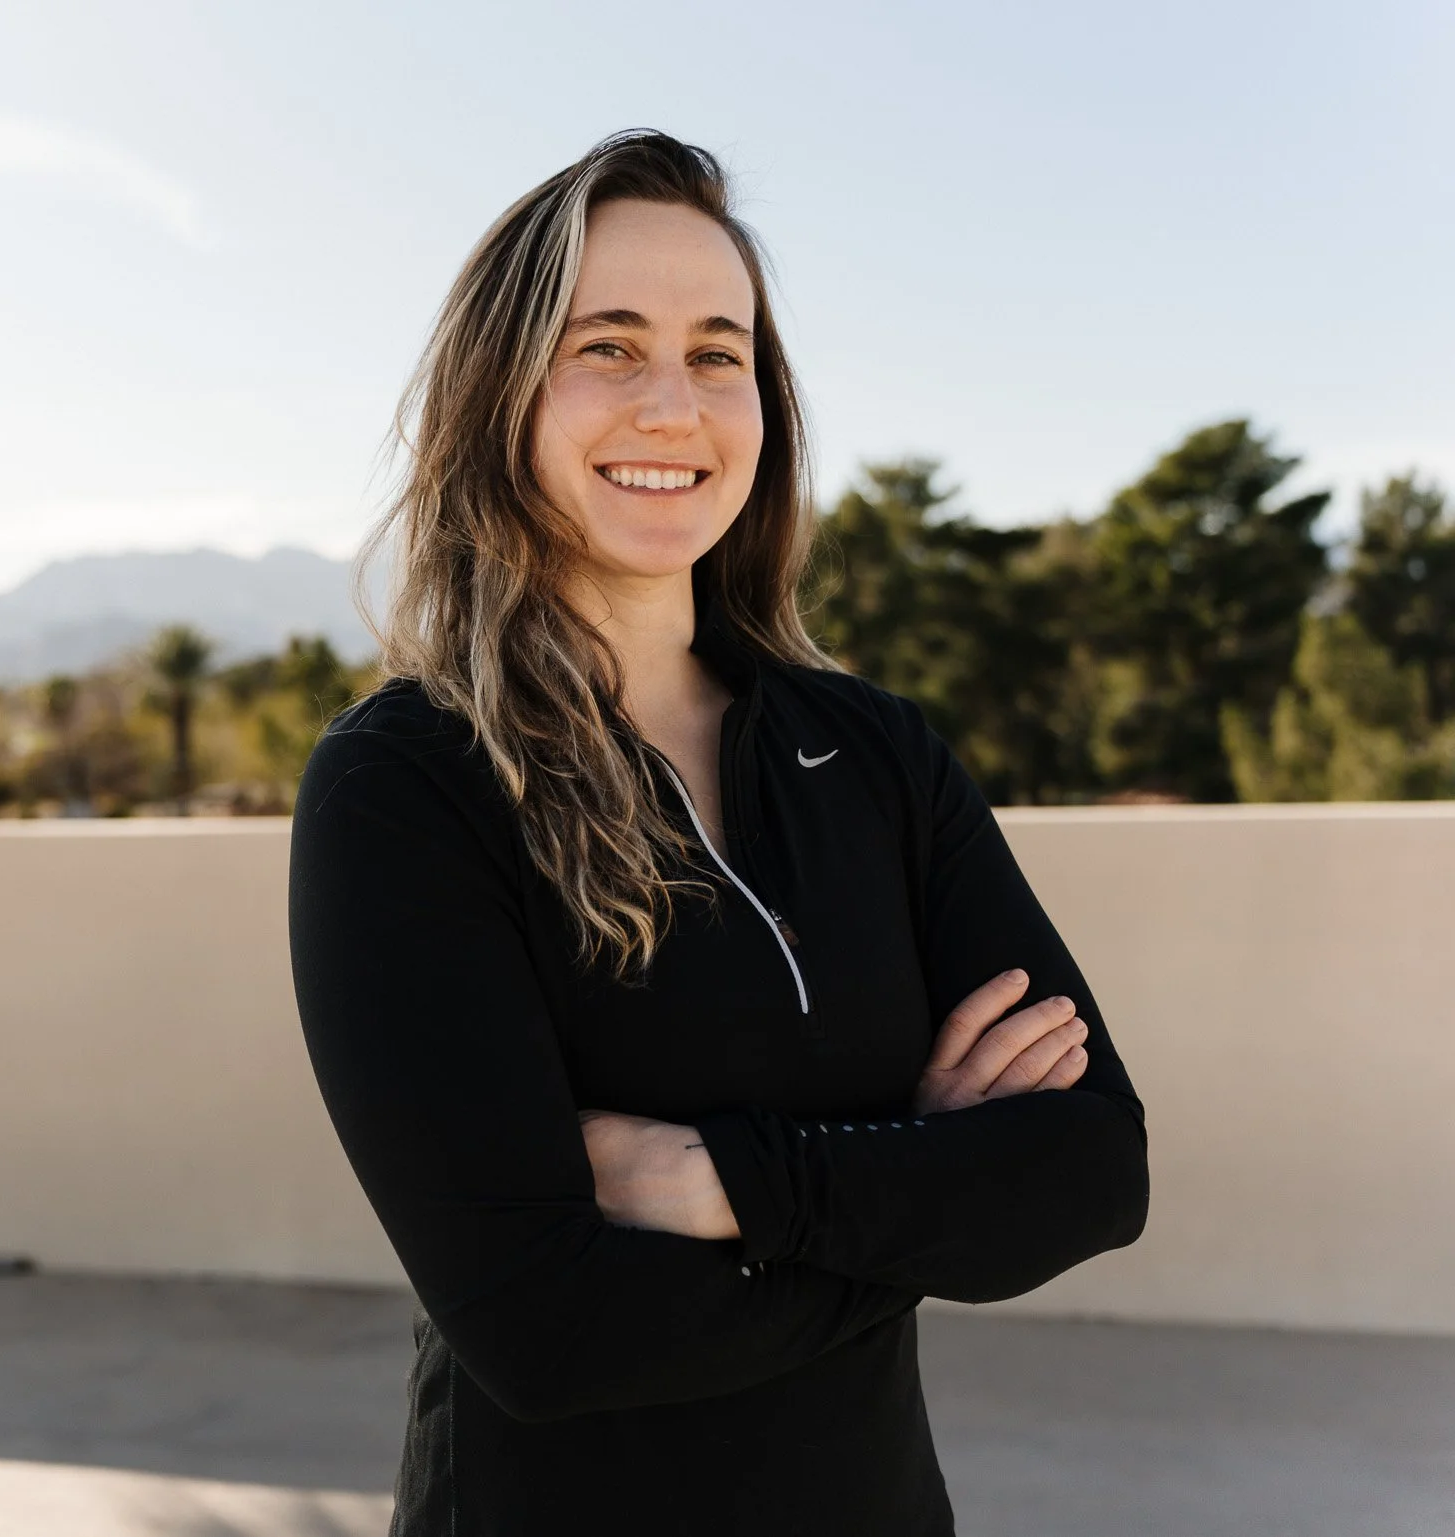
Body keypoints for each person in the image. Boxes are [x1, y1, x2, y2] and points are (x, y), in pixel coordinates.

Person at [288, 130, 1147, 1536]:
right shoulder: (409, 783)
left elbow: (1095, 1170)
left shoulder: (875, 752)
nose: (673, 404)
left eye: (718, 351)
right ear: (498, 395)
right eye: (608, 347)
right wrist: (920, 1175)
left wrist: (724, 1181)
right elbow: (548, 1332)